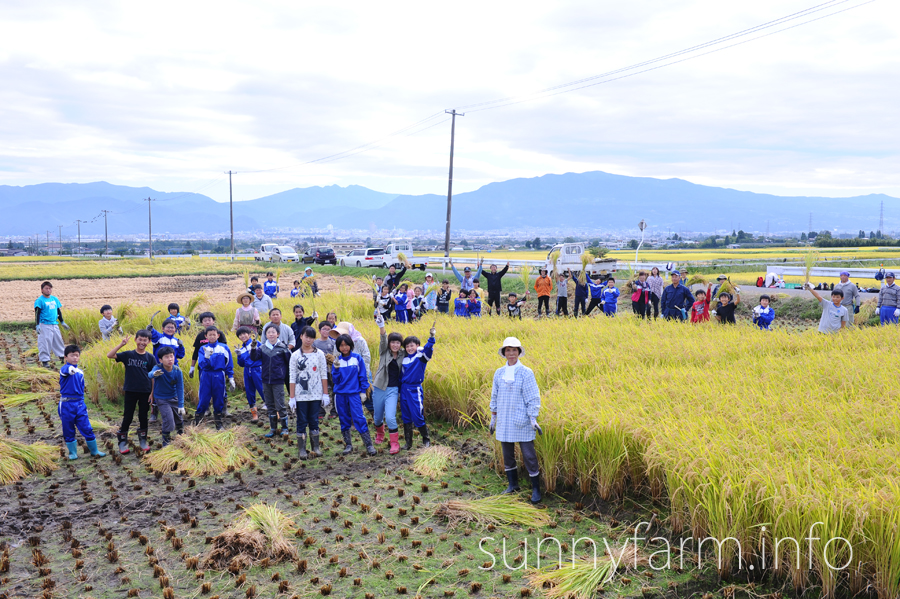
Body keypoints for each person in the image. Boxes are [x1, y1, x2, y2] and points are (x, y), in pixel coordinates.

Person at [489, 337, 542, 503]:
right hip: (504, 420)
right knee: (507, 454)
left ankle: (536, 489)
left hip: (522, 420)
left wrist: (533, 418)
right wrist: (493, 417)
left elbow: (533, 397)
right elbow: (495, 396)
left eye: (514, 350)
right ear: (504, 353)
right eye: (508, 350)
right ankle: (513, 485)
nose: (511, 353)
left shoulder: (526, 372)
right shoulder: (499, 373)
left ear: (519, 352)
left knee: (529, 455)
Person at [107, 331, 157, 454]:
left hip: (145, 391)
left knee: (143, 416)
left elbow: (153, 377)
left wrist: (152, 393)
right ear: (135, 340)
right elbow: (110, 355)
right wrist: (121, 344)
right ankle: (122, 442)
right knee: (128, 416)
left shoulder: (150, 358)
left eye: (145, 340)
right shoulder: (128, 355)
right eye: (140, 339)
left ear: (149, 342)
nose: (142, 342)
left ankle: (143, 440)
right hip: (130, 390)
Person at [332, 333, 376, 456]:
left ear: (351, 345)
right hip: (340, 394)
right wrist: (335, 369)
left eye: (346, 345)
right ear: (338, 347)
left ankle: (369, 445)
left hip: (354, 394)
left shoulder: (357, 358)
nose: (344, 348)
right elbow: (335, 380)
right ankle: (348, 445)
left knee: (359, 418)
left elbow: (362, 375)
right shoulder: (337, 361)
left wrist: (363, 391)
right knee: (344, 418)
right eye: (341, 345)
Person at [59, 344, 105, 460]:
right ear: (65, 357)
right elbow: (68, 370)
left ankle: (94, 450)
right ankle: (73, 453)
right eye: (72, 355)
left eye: (77, 356)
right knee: (68, 428)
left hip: (79, 403)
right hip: (66, 404)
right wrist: (71, 369)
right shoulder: (65, 369)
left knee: (86, 427)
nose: (74, 358)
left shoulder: (80, 372)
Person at [289, 326, 328, 459]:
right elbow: (292, 376)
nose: (309, 340)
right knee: (302, 420)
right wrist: (292, 397)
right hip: (301, 394)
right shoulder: (295, 355)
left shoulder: (320, 354)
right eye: (306, 336)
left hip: (316, 393)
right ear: (301, 336)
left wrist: (325, 393)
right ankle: (302, 449)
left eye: (311, 337)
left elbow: (323, 374)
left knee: (314, 419)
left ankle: (315, 447)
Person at [399, 326, 436, 450]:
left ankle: (426, 439)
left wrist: (431, 338)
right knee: (405, 416)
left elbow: (428, 351)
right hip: (404, 389)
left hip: (415, 389)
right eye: (407, 346)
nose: (410, 348)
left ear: (417, 345)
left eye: (412, 345)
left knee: (417, 415)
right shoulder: (403, 359)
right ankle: (408, 443)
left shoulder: (421, 358)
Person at [372, 312, 404, 454]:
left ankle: (394, 443)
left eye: (398, 342)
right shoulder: (384, 352)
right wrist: (382, 326)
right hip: (379, 388)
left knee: (390, 417)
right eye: (393, 342)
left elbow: (414, 351)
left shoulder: (404, 354)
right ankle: (380, 432)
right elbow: (383, 339)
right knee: (377, 417)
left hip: (393, 389)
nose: (395, 345)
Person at [252, 325, 291, 437]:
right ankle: (273, 429)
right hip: (265, 380)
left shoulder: (283, 347)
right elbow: (254, 358)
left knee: (280, 404)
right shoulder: (263, 348)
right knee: (270, 405)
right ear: (266, 335)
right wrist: (253, 349)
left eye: (273, 332)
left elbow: (289, 362)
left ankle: (284, 428)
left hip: (278, 380)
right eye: (269, 332)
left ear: (278, 334)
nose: (271, 334)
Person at [194, 326, 235, 431]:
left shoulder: (224, 348)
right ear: (206, 336)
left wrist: (230, 377)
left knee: (219, 398)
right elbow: (202, 364)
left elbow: (228, 363)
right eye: (210, 334)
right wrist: (207, 357)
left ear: (218, 335)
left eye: (214, 334)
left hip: (219, 375)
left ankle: (219, 424)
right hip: (206, 375)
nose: (212, 336)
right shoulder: (202, 349)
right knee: (203, 398)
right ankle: (198, 425)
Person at [328, 322, 373, 415]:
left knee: (368, 396)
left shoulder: (359, 340)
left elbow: (366, 357)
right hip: (346, 374)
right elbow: (336, 357)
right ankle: (352, 421)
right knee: (349, 398)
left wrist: (361, 371)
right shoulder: (338, 342)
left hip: (361, 371)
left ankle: (376, 418)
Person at [148, 346, 185, 447]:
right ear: (160, 360)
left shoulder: (177, 371)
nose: (170, 359)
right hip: (162, 399)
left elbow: (180, 388)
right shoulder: (158, 368)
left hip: (174, 398)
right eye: (167, 357)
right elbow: (150, 374)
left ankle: (181, 436)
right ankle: (166, 441)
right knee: (169, 421)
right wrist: (154, 374)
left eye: (171, 356)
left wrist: (181, 405)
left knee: (179, 418)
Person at [34, 281, 69, 368]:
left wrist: (62, 322)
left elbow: (58, 311)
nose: (48, 290)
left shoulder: (54, 299)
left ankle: (62, 357)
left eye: (50, 288)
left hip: (54, 324)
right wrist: (37, 325)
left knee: (58, 341)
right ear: (42, 290)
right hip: (44, 324)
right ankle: (45, 360)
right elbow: (37, 313)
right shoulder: (39, 301)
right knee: (45, 342)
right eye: (46, 288)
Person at [263, 307, 296, 396]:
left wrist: (285, 349)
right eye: (273, 315)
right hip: (271, 359)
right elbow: (263, 343)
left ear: (281, 316)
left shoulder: (286, 328)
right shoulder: (266, 328)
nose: (275, 316)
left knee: (289, 379)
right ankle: (273, 402)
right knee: (273, 382)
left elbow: (293, 341)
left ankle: (293, 399)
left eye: (277, 314)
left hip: (285, 357)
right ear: (269, 317)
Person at [234, 326, 262, 422]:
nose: (242, 336)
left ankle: (275, 413)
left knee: (263, 390)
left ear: (249, 334)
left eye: (244, 333)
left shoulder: (257, 344)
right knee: (249, 392)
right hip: (247, 371)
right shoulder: (241, 349)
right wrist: (239, 355)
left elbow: (263, 356)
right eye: (240, 335)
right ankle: (254, 415)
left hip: (257, 369)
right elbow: (241, 364)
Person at [189, 312, 227, 379]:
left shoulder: (219, 334)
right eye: (205, 321)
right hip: (203, 367)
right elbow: (196, 352)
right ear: (202, 323)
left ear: (213, 321)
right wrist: (192, 367)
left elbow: (225, 352)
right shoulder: (200, 336)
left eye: (209, 320)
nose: (207, 322)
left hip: (217, 367)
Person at [314, 321, 337, 420]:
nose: (326, 331)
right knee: (318, 390)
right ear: (319, 330)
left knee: (335, 389)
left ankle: (334, 410)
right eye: (324, 329)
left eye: (328, 329)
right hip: (319, 371)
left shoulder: (333, 343)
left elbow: (336, 356)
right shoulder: (315, 343)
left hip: (331, 370)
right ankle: (320, 411)